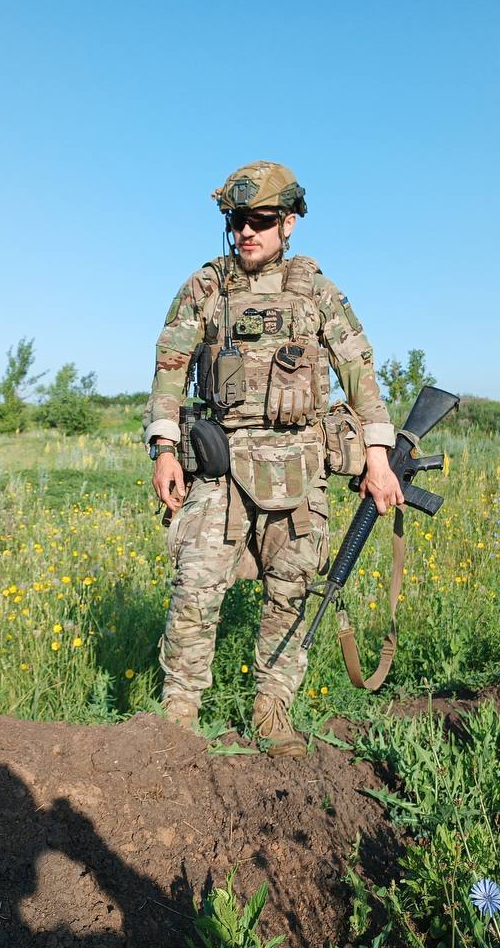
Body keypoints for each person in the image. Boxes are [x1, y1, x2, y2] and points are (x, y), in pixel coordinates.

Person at [142, 161, 403, 756]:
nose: (246, 233)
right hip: (221, 464)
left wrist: (379, 456)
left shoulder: (316, 292)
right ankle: (177, 720)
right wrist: (163, 449)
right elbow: (169, 369)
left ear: (288, 223)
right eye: (237, 221)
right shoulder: (206, 287)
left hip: (299, 466)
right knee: (195, 590)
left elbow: (359, 368)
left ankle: (272, 709)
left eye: (260, 221)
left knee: (291, 590)